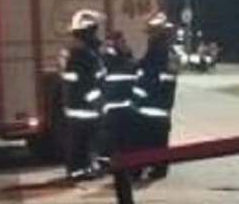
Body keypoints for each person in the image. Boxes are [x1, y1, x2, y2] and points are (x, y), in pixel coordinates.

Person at [60, 10, 106, 180]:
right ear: (86, 33)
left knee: (83, 141)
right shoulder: (81, 54)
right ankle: (78, 171)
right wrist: (99, 103)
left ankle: (83, 169)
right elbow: (86, 84)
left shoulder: (79, 52)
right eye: (94, 31)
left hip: (77, 106)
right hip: (83, 107)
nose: (96, 35)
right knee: (81, 141)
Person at [134, 12, 178, 179]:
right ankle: (158, 168)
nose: (149, 36)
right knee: (158, 139)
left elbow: (149, 76)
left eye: (152, 32)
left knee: (148, 138)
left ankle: (150, 167)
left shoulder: (158, 53)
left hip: (153, 104)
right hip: (162, 105)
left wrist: (139, 95)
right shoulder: (166, 52)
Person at [100, 29, 144, 166]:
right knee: (120, 140)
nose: (123, 43)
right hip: (123, 109)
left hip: (114, 110)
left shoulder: (104, 61)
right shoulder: (127, 62)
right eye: (121, 41)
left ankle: (114, 163)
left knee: (113, 140)